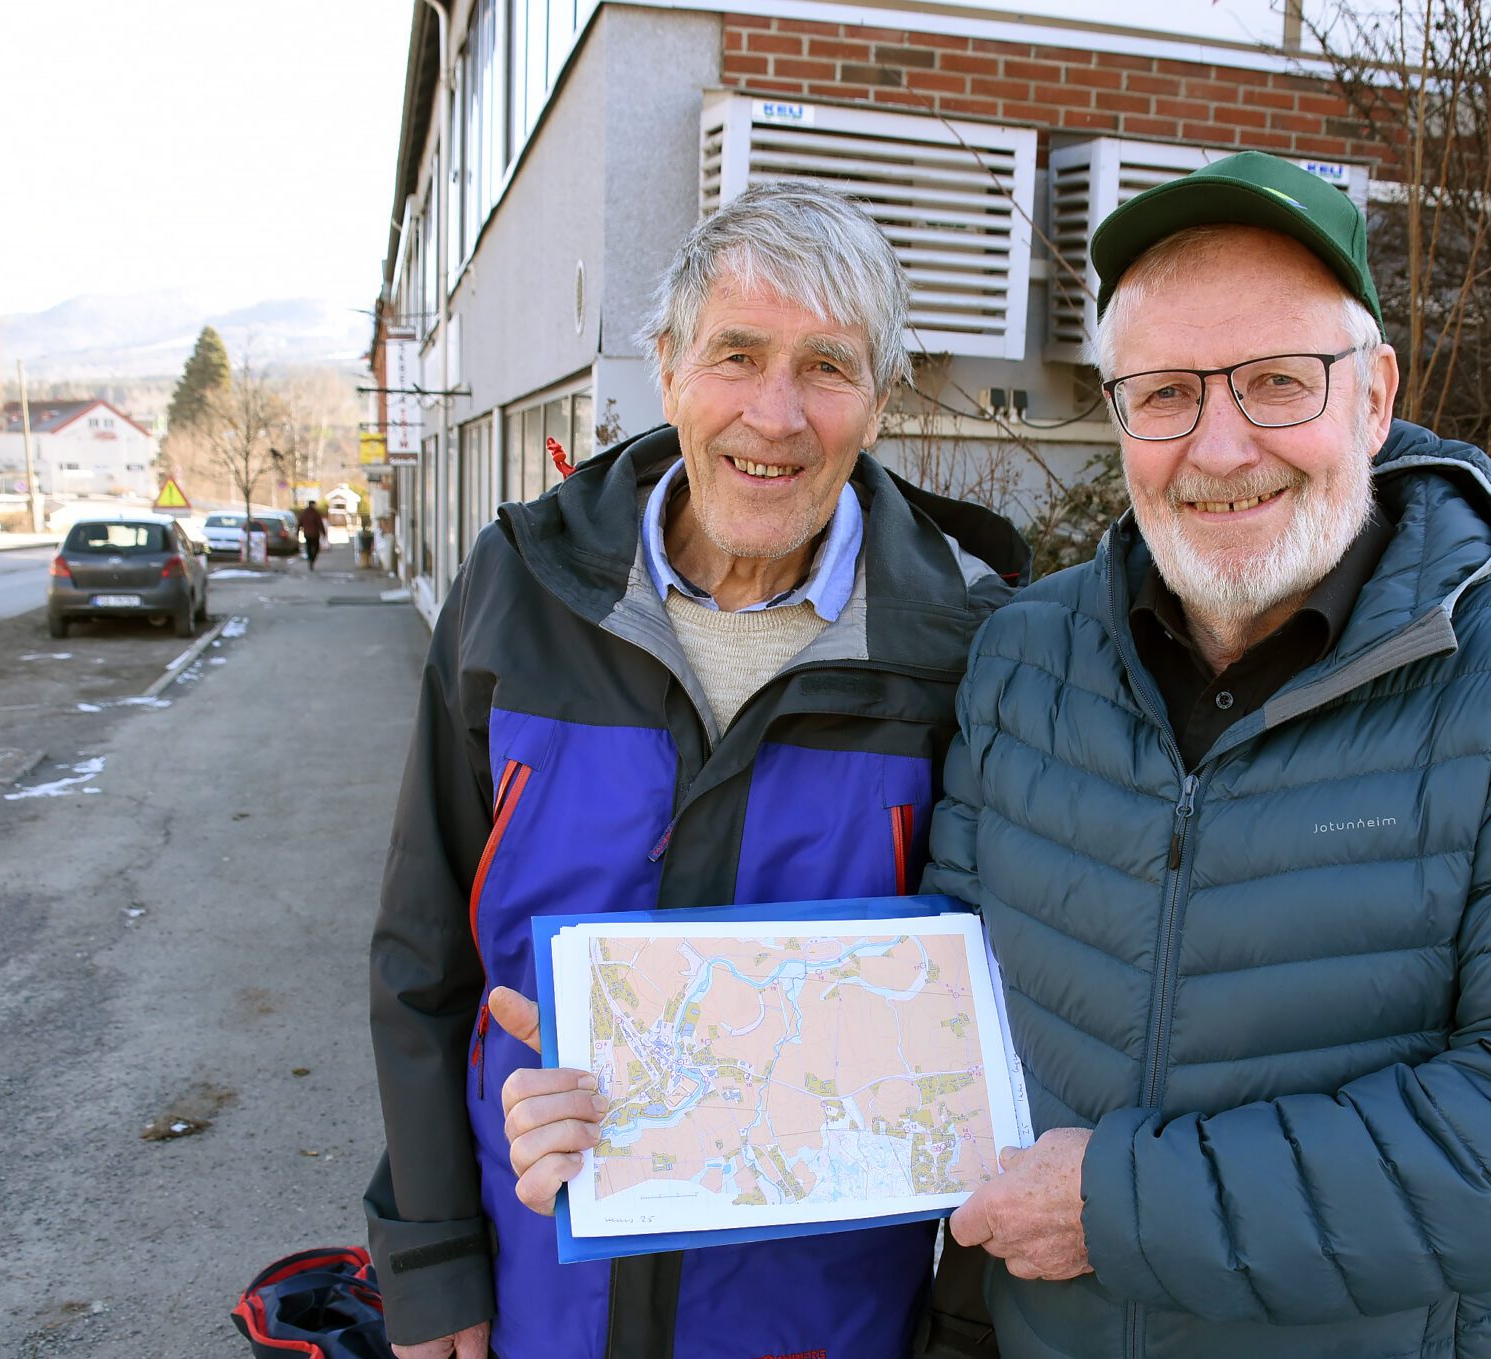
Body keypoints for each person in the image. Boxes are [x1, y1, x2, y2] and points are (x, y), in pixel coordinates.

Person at [923, 151, 1491, 1359]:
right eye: (1167, 392)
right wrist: (638, 1101)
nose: (1221, 449)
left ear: (1375, 397)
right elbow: (940, 1017)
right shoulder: (1027, 658)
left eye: (1277, 383)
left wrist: (1122, 1208)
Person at [365, 180, 1028, 1359]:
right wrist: (428, 1262)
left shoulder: (964, 649)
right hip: (534, 1289)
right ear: (666, 369)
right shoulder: (519, 593)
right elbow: (424, 957)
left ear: (877, 400)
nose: (773, 415)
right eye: (735, 354)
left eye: (826, 366)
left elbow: (1000, 1037)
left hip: (817, 1318)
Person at [297, 500, 327, 571]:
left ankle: (310, 560)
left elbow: (299, 523)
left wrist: (297, 532)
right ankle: (312, 560)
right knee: (315, 548)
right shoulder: (315, 513)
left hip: (307, 534)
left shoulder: (304, 513)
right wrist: (323, 532)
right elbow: (320, 524)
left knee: (309, 548)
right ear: (312, 504)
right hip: (314, 534)